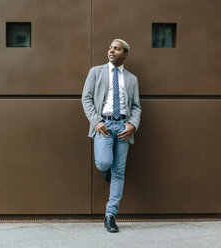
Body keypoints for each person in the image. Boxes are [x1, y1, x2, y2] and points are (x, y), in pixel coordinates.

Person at [81, 38, 141, 233]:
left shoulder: (132, 79)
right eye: (110, 48)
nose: (112, 51)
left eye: (117, 49)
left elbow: (136, 106)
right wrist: (96, 121)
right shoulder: (96, 72)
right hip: (103, 126)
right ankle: (105, 168)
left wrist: (132, 124)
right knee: (105, 163)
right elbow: (86, 98)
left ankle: (110, 215)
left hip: (124, 127)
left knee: (119, 172)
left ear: (125, 54)